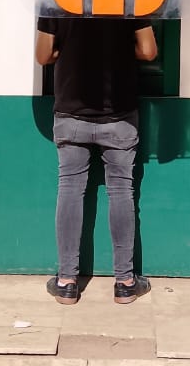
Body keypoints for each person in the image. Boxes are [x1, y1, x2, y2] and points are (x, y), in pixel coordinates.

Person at [35, 16, 158, 305]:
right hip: (119, 115)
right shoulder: (133, 0)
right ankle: (125, 283)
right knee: (121, 191)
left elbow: (43, 55)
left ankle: (66, 282)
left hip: (70, 112)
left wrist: (72, 49)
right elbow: (149, 51)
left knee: (70, 189)